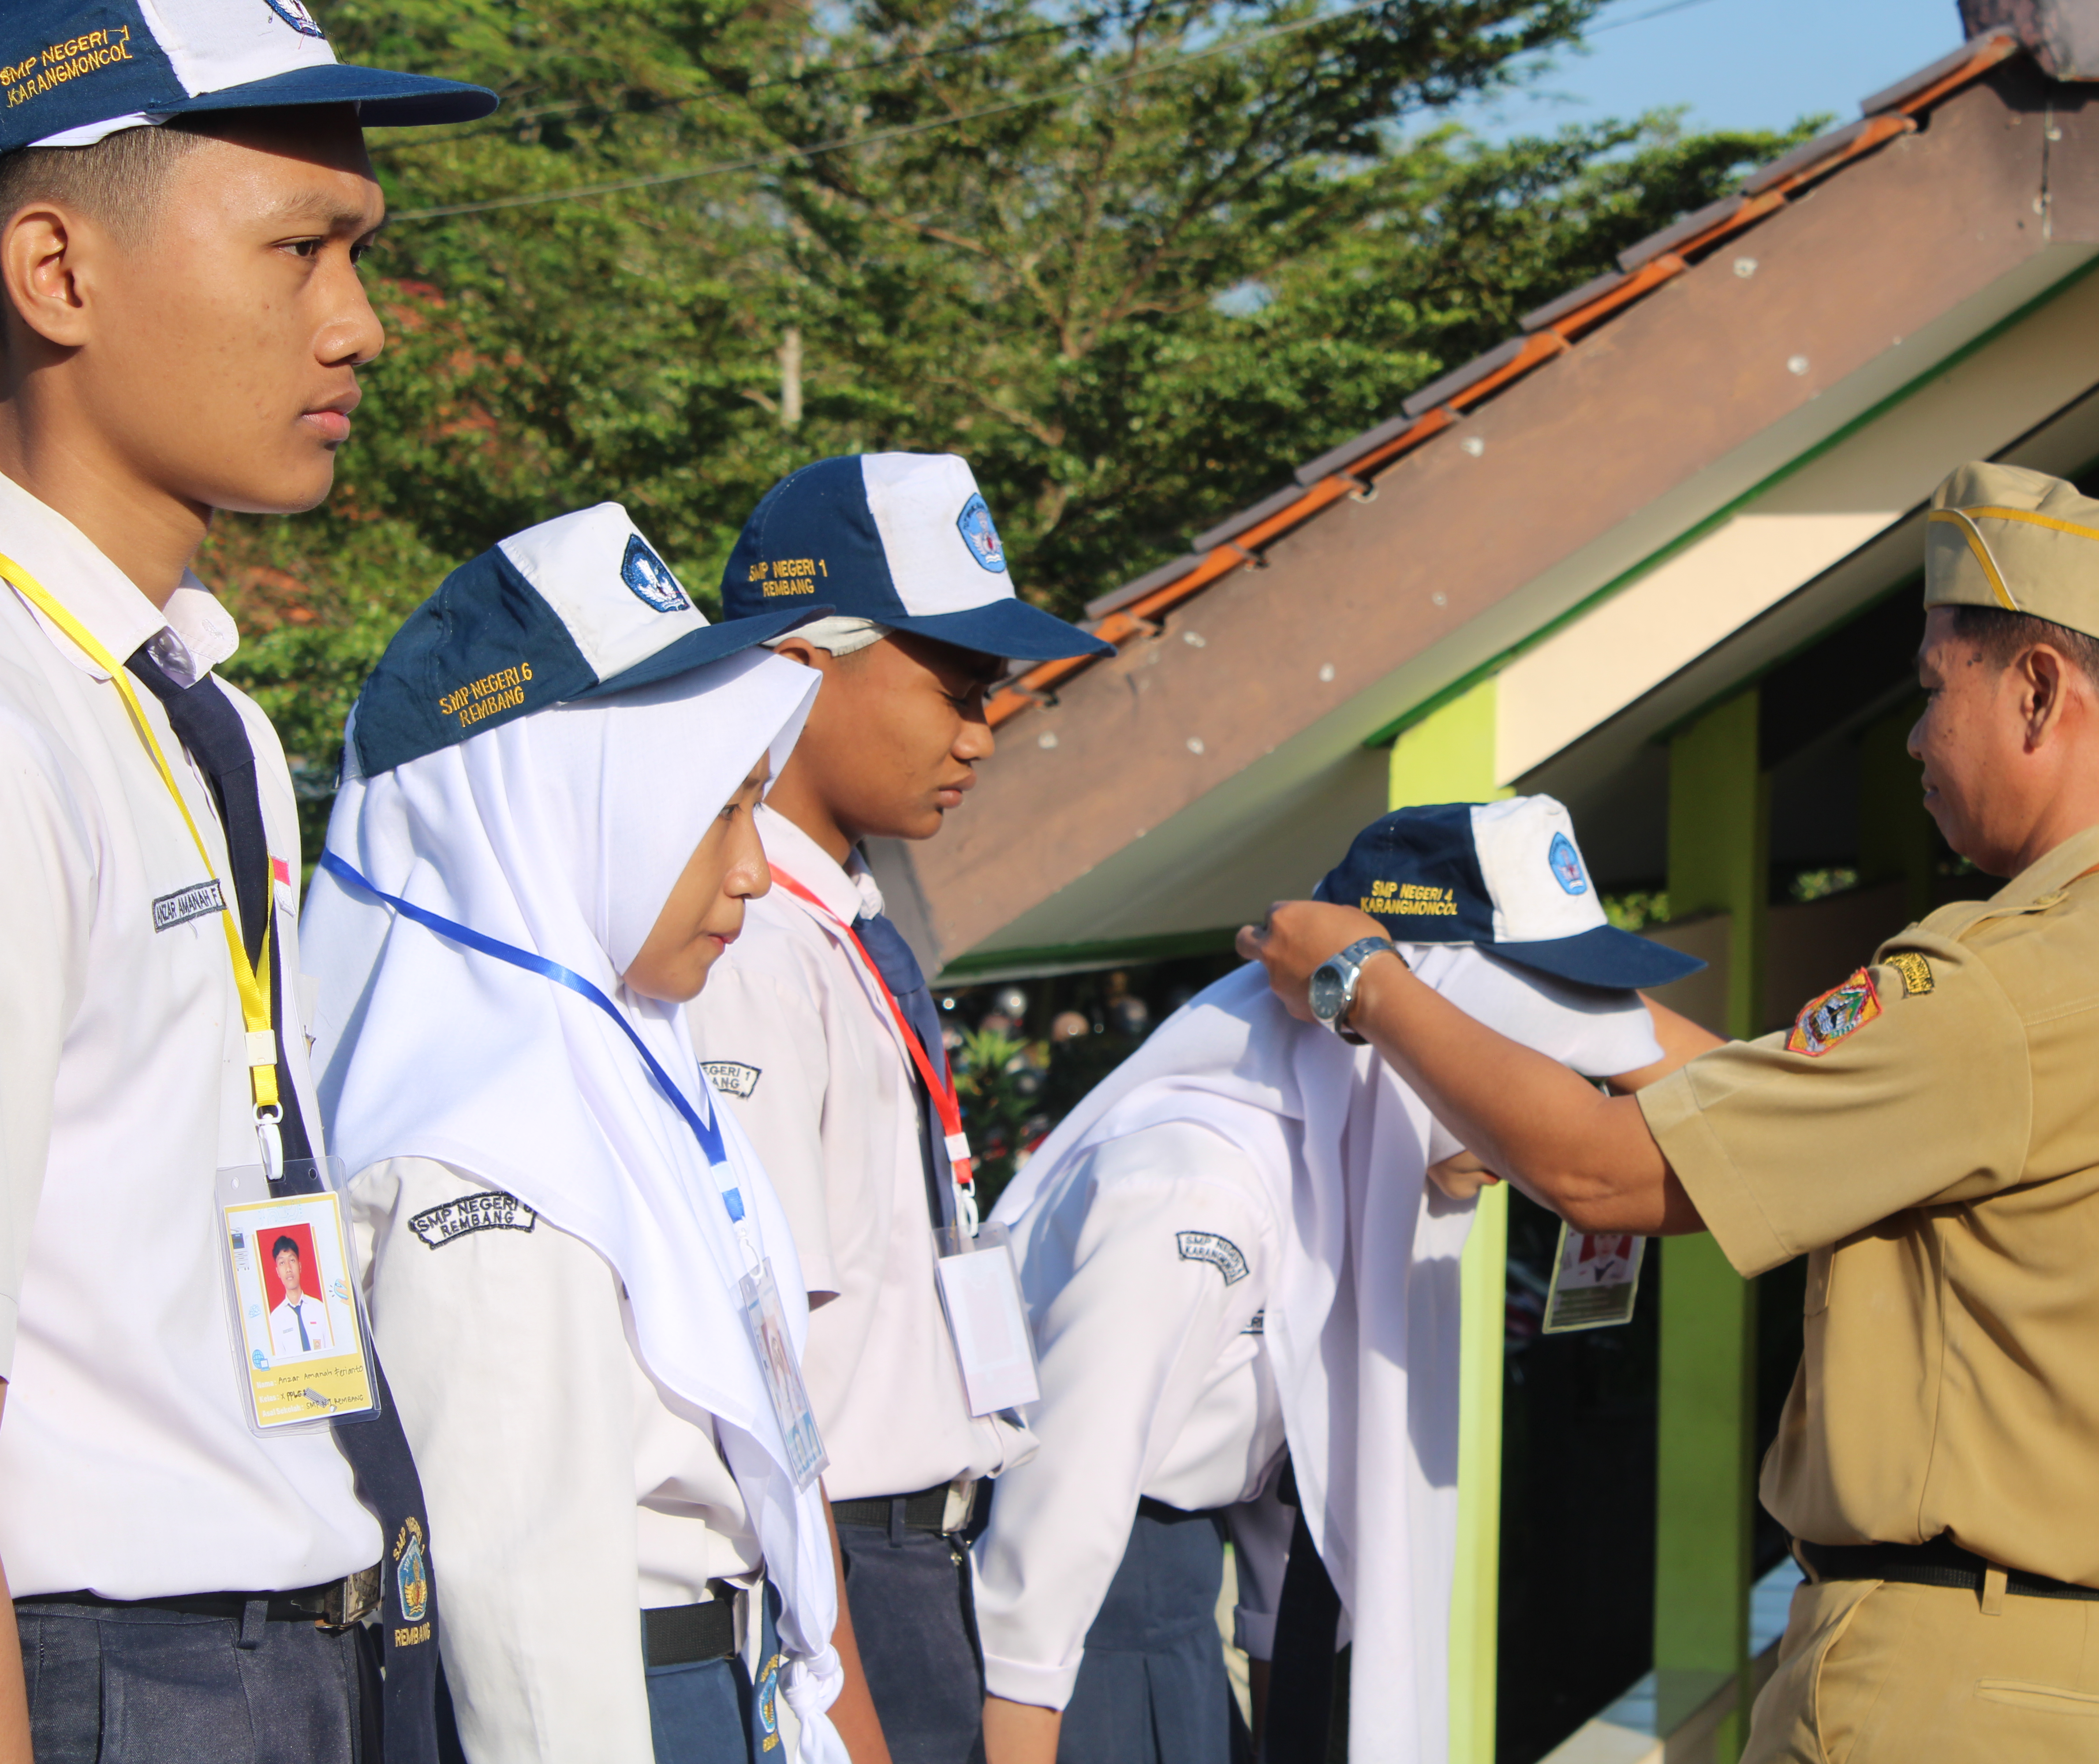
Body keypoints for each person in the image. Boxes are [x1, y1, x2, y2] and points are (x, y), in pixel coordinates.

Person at [1238, 463, 2099, 1764]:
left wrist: (1363, 982)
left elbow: (1609, 1178)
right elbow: (1783, 1102)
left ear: (2035, 690)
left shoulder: (2004, 986)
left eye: (1932, 689)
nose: (1914, 738)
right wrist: (1572, 1018)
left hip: (1955, 1688)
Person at [0, 5, 492, 1758]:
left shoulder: (190, 709)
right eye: (299, 250)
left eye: (359, 253)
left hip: (285, 1650)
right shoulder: (18, 724)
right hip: (116, 1669)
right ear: (56, 270)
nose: (359, 325)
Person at [300, 504, 889, 1763]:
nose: (752, 870)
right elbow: (531, 1650)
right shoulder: (489, 1152)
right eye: (716, 811)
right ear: (561, 809)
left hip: (719, 1682)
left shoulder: (618, 1077)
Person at [974, 795, 1708, 1764]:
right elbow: (1044, 1558)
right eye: (1521, 1065)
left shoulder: (1334, 1179)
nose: (1545, 1116)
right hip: (1073, 1661)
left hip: (1166, 1633)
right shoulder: (1202, 1191)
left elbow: (1291, 1520)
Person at [687, 451, 1110, 1764]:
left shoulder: (851, 922)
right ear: (800, 665)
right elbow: (763, 1358)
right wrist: (839, 1689)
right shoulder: (745, 950)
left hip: (921, 1554)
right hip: (846, 1562)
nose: (981, 732)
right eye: (956, 687)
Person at [268, 1236, 342, 1360]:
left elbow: (333, 1352)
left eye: (292, 1261)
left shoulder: (320, 1308)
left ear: (300, 1266)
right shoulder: (275, 1319)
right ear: (278, 1272)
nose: (288, 1269)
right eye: (282, 1263)